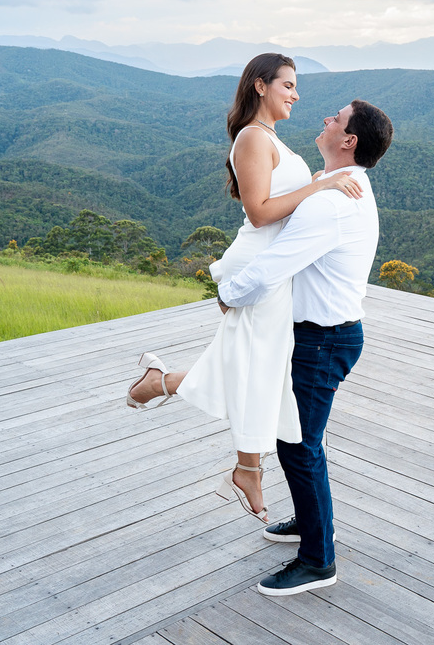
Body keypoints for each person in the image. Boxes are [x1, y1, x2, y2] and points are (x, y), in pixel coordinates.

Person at [126, 53, 361, 523]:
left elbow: (280, 198)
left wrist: (318, 182)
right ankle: (245, 466)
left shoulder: (270, 138)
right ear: (260, 86)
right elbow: (259, 211)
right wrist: (320, 188)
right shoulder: (253, 137)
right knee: (258, 368)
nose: (296, 95)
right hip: (261, 266)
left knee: (253, 365)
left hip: (273, 269)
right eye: (288, 85)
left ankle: (168, 390)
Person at [215, 98, 394, 597]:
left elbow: (277, 263)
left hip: (322, 339)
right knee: (301, 440)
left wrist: (227, 294)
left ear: (349, 140)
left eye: (335, 118)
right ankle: (312, 522)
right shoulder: (335, 186)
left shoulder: (333, 201)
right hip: (324, 335)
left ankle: (318, 559)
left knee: (298, 444)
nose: (325, 120)